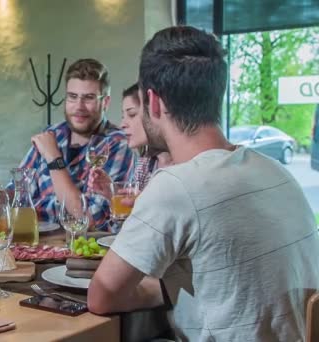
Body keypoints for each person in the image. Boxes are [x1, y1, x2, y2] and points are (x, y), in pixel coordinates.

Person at [88, 25, 319, 341]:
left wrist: (160, 292)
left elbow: (101, 297)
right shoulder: (276, 171)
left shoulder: (175, 186)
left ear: (152, 103)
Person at [0, 58, 134, 231]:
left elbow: (87, 219)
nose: (79, 106)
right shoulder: (52, 134)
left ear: (105, 102)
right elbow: (19, 193)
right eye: (73, 97)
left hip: (81, 248)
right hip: (35, 240)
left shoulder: (117, 144)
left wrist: (55, 159)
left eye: (89, 98)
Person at [88, 83, 172, 201]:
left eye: (131, 114)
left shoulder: (183, 165)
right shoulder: (145, 164)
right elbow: (135, 215)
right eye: (123, 116)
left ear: (154, 110)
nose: (122, 124)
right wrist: (113, 193)